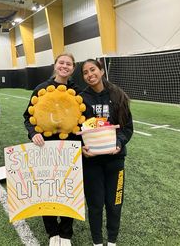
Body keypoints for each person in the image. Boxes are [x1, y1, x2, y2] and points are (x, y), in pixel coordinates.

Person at [23, 53, 80, 246]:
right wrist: (33, 133)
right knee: (47, 190)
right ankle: (52, 233)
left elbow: (84, 119)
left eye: (69, 64)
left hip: (70, 149)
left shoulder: (77, 91)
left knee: (67, 189)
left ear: (73, 68)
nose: (65, 66)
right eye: (61, 62)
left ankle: (65, 234)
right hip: (45, 148)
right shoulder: (41, 89)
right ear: (55, 65)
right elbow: (27, 117)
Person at [80, 59, 133, 246]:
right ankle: (96, 242)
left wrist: (118, 143)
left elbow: (127, 128)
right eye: (85, 72)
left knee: (114, 202)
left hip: (115, 160)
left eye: (93, 69)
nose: (89, 75)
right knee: (95, 205)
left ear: (101, 71)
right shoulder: (80, 99)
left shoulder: (118, 95)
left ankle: (111, 241)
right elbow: (75, 130)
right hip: (91, 162)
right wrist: (82, 148)